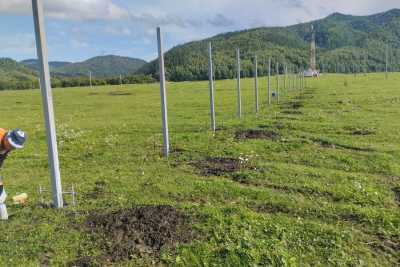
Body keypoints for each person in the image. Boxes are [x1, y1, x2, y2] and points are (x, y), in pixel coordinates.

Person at [0, 128, 26, 220]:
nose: (12, 148)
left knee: (1, 195)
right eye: (11, 145)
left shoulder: (7, 145)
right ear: (7, 137)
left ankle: (3, 218)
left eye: (14, 147)